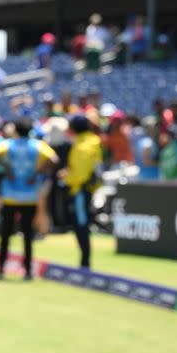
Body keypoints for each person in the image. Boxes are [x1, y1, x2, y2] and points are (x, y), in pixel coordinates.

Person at [0, 118, 58, 280]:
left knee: (5, 235)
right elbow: (54, 160)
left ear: (16, 130)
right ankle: (27, 270)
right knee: (27, 235)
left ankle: (1, 268)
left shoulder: (9, 144)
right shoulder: (37, 145)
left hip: (10, 196)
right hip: (29, 197)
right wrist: (36, 173)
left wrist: (7, 169)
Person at [60, 115, 102, 269]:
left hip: (80, 190)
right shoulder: (91, 141)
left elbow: (80, 174)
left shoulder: (82, 145)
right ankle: (84, 261)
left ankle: (85, 263)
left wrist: (66, 178)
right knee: (81, 225)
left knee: (81, 226)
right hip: (86, 189)